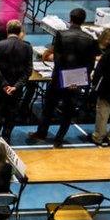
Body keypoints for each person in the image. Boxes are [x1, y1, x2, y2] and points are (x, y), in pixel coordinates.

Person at [29, 8, 100, 147]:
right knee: (68, 111)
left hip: (59, 78)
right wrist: (77, 81)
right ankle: (59, 139)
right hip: (76, 80)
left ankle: (41, 133)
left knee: (49, 107)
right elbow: (89, 64)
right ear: (83, 21)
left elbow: (58, 59)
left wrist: (63, 78)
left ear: (70, 19)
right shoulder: (90, 39)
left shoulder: (61, 35)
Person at [0, 20, 32, 142]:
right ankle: (6, 138)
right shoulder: (27, 47)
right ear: (20, 32)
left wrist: (4, 85)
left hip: (0, 88)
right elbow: (28, 70)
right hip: (16, 89)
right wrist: (16, 86)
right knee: (11, 113)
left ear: (7, 30)